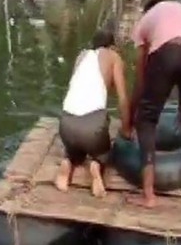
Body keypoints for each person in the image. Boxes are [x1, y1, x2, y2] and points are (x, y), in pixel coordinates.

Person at [125, 0, 181, 208]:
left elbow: (142, 77)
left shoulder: (146, 20)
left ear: (147, 10)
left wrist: (132, 116)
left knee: (147, 119)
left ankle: (148, 195)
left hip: (168, 52)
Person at [55, 28, 132, 197]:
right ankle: (97, 166)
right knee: (104, 152)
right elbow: (122, 98)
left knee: (76, 150)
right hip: (92, 127)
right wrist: (127, 130)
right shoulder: (113, 57)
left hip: (66, 124)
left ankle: (68, 162)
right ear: (111, 46)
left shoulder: (81, 56)